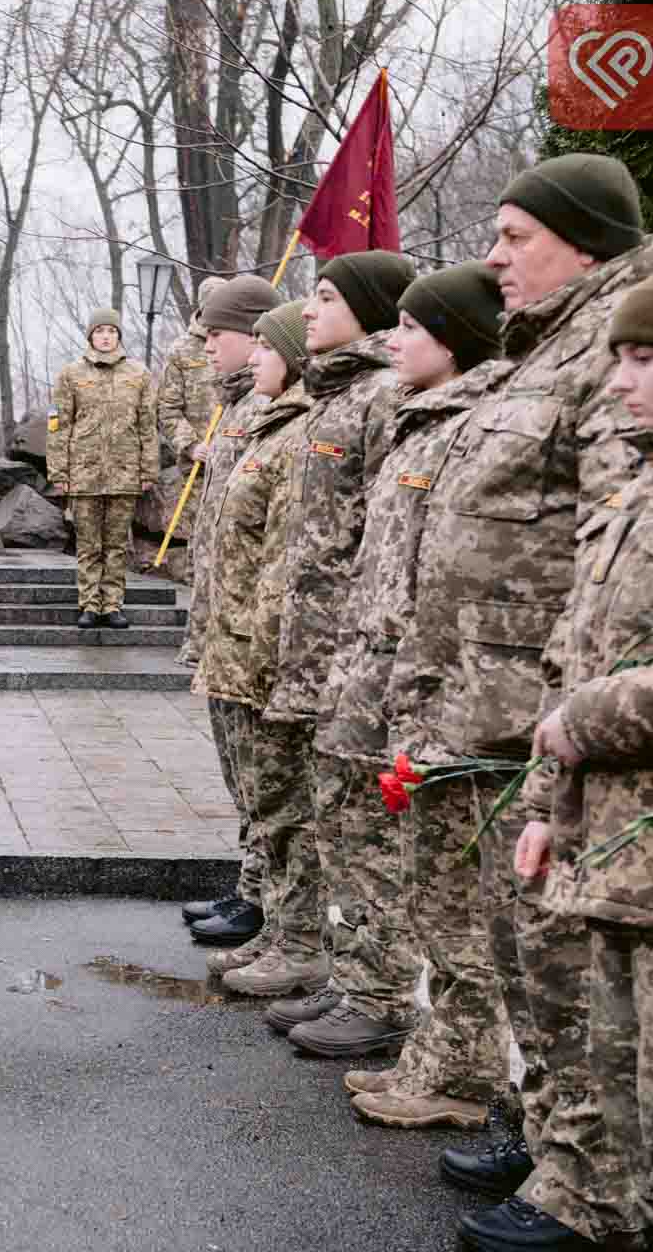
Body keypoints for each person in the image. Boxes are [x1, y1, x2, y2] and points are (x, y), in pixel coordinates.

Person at [385, 153, 653, 1252]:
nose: (493, 257)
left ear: (587, 238)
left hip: (560, 717)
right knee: (522, 949)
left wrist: (573, 718)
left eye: (515, 236)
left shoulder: (626, 343)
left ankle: (585, 1172)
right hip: (497, 706)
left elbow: (621, 565)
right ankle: (552, 1127)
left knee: (561, 956)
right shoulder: (553, 344)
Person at [515, 257, 653, 1252]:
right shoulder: (644, 480)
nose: (620, 379)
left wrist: (599, 714)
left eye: (643, 357)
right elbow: (576, 651)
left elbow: (605, 687)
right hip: (619, 862)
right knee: (635, 1127)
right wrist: (548, 801)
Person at [305, 264, 512, 1121]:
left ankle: (463, 1072)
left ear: (455, 338)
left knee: (456, 898)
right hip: (391, 677)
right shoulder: (424, 423)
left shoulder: (473, 423)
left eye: (413, 328)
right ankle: (445, 1058)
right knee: (432, 889)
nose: (394, 340)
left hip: (458, 695)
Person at [252, 251, 414, 1023]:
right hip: (309, 652)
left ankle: (373, 989)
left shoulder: (382, 397)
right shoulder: (335, 399)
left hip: (352, 655)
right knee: (323, 822)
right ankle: (344, 973)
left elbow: (384, 542)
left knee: (360, 833)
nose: (308, 311)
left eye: (325, 297)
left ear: (370, 307)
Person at [189, 300, 323, 1001]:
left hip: (261, 646)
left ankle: (285, 923)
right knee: (255, 792)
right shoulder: (252, 414)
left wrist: (257, 646)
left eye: (220, 334)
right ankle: (267, 909)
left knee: (277, 796)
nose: (208, 346)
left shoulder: (294, 426)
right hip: (232, 636)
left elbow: (283, 554)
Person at [178, 274, 281, 955]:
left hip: (252, 632)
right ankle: (251, 885)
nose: (206, 346)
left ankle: (265, 899)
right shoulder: (237, 408)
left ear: (254, 334)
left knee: (265, 782)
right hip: (222, 623)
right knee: (241, 777)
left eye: (216, 334)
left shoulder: (269, 409)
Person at [45, 308, 156, 628]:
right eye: (99, 331)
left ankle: (112, 605)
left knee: (117, 545)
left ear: (119, 335)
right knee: (89, 544)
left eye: (111, 331)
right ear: (90, 336)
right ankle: (89, 605)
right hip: (84, 473)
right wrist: (59, 472)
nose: (105, 337)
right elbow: (58, 425)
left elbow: (148, 425)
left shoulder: (139, 374)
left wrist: (148, 470)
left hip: (124, 473)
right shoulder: (71, 374)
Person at [158, 274, 227, 469]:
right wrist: (191, 445)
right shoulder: (180, 350)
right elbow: (167, 408)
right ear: (203, 307)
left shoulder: (244, 342)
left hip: (236, 462)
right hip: (198, 467)